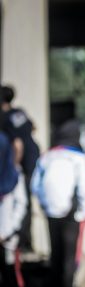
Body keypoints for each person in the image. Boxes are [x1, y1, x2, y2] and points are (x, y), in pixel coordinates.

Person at [31, 119, 85, 287]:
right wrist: (83, 212)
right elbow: (84, 188)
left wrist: (45, 206)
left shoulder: (47, 156)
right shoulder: (79, 158)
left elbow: (35, 186)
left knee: (55, 256)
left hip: (51, 214)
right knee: (69, 259)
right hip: (71, 215)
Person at [0, 132, 37, 287]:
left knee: (13, 282)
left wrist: (8, 232)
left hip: (6, 240)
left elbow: (21, 206)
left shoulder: (15, 175)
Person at [0, 85, 40, 252]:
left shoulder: (4, 117)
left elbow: (17, 144)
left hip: (22, 162)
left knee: (19, 202)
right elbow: (33, 127)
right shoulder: (19, 113)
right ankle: (26, 240)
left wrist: (14, 166)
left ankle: (21, 240)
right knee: (27, 202)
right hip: (33, 158)